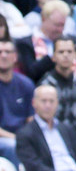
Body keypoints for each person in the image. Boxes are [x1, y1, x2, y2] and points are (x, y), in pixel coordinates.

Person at [15, 82, 76, 171]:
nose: (48, 105)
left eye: (51, 101)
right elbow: (33, 165)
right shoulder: (25, 134)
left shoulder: (67, 128)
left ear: (57, 103)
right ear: (34, 103)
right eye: (44, 101)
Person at [37, 35, 76, 129]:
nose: (65, 55)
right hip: (52, 133)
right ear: (53, 57)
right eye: (61, 52)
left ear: (75, 55)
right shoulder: (45, 85)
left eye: (69, 51)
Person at [0, 38, 34, 170]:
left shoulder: (26, 84)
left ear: (15, 57)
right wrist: (16, 138)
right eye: (0, 52)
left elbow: (31, 119)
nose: (3, 55)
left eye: (8, 52)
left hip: (22, 136)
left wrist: (26, 138)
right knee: (12, 145)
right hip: (4, 139)